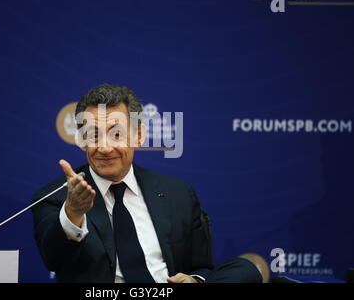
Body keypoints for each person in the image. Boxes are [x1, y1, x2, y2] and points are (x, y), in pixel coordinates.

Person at [31, 84, 261, 283]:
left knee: (246, 269)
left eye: (117, 134)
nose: (104, 147)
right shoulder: (56, 197)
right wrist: (73, 212)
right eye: (93, 135)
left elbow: (203, 267)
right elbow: (54, 259)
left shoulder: (177, 193)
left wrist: (195, 279)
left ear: (139, 136)